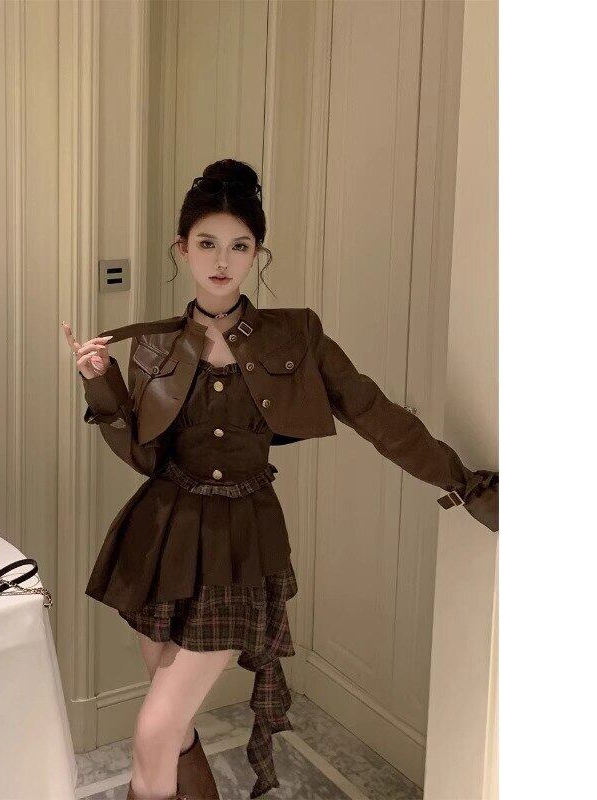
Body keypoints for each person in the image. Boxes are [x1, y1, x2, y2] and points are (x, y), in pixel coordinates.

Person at [63, 159, 498, 800]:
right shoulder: (152, 346)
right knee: (172, 720)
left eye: (239, 246)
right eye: (207, 243)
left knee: (154, 730)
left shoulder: (295, 336)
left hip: (241, 543)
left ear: (258, 254)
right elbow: (143, 457)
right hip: (158, 538)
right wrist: (100, 383)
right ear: (182, 249)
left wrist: (464, 482)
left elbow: (374, 412)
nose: (222, 261)